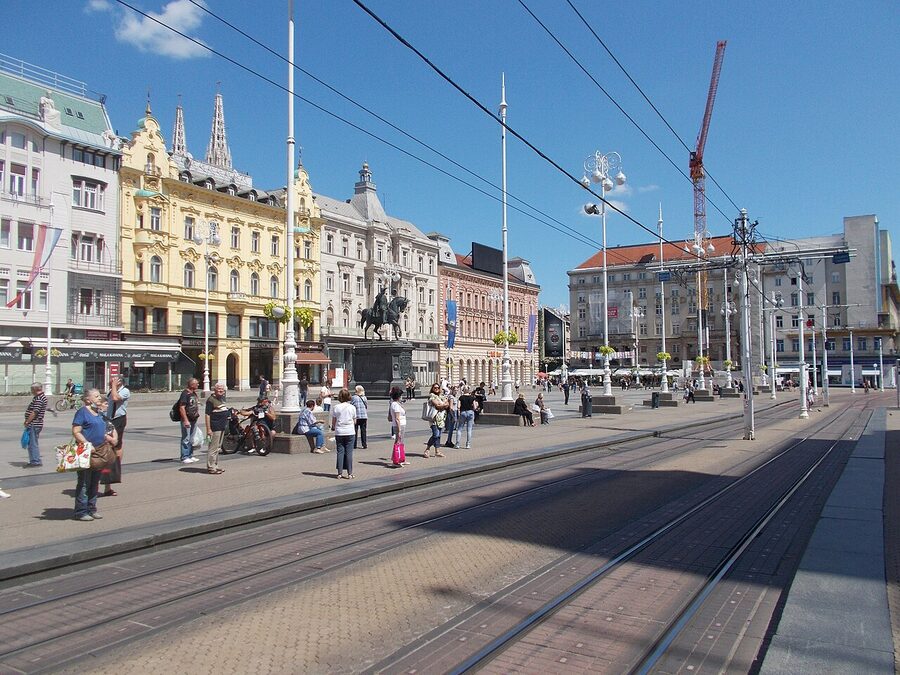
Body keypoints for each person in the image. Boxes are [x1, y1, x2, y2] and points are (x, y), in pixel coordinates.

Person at [72, 388, 117, 521]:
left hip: (100, 451)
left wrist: (110, 438)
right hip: (86, 451)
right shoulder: (82, 412)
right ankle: (81, 511)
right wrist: (87, 444)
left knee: (94, 482)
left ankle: (92, 508)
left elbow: (105, 427)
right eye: (96, 396)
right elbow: (76, 431)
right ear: (87, 400)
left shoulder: (98, 413)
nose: (99, 398)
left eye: (99, 396)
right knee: (84, 482)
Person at [102, 375, 130, 496]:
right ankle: (107, 481)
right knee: (108, 447)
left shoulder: (125, 391)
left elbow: (115, 398)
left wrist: (113, 386)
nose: (110, 380)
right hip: (108, 420)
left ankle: (116, 463)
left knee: (115, 445)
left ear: (119, 381)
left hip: (118, 420)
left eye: (113, 379)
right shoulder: (111, 390)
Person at [204, 382, 230, 474]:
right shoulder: (211, 400)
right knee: (213, 448)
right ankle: (211, 467)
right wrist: (208, 429)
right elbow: (207, 415)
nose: (220, 391)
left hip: (222, 426)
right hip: (215, 427)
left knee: (218, 447)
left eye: (222, 390)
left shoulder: (221, 399)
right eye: (218, 389)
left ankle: (215, 465)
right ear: (214, 390)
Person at [331, 388, 357, 479]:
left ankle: (339, 473)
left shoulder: (336, 407)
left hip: (339, 431)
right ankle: (350, 473)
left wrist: (333, 427)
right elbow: (354, 421)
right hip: (350, 431)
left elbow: (334, 421)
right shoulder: (352, 407)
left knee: (340, 452)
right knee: (349, 452)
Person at [23, 382, 48, 467]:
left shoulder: (39, 399)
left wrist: (27, 421)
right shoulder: (39, 397)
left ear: (35, 389)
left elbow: (35, 412)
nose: (31, 391)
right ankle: (34, 460)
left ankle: (35, 461)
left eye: (31, 389)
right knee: (32, 442)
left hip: (34, 423)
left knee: (33, 443)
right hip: (36, 423)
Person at [177, 378, 201, 464]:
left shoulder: (193, 393)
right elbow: (182, 408)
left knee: (191, 438)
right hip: (187, 419)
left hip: (193, 419)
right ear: (191, 385)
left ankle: (190, 455)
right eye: (196, 384)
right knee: (186, 438)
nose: (198, 385)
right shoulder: (185, 394)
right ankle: (184, 456)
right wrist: (185, 420)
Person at [424, 383, 449, 458]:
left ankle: (437, 451)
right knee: (436, 434)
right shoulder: (432, 396)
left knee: (439, 435)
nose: (436, 389)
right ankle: (427, 449)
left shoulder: (441, 396)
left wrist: (443, 405)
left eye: (438, 387)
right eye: (435, 388)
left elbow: (447, 404)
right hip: (434, 419)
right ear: (432, 388)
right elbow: (437, 405)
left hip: (441, 419)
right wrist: (443, 405)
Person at [388, 387, 408, 465]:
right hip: (399, 425)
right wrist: (399, 429)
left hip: (401, 424)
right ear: (398, 396)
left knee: (400, 441)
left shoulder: (396, 404)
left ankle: (401, 458)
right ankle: (396, 459)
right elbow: (397, 418)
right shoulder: (395, 405)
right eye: (401, 396)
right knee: (398, 441)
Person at [351, 385, 368, 449]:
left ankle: (354, 444)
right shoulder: (364, 397)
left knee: (355, 430)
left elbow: (351, 405)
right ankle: (364, 444)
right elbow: (366, 405)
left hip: (356, 416)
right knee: (363, 430)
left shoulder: (354, 397)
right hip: (364, 416)